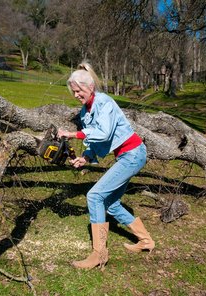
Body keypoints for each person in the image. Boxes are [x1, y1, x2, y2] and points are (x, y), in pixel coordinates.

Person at [58, 61, 155, 270]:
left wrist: (72, 134)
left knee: (94, 196)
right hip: (126, 156)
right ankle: (146, 241)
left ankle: (99, 254)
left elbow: (104, 133)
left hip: (134, 153)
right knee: (111, 204)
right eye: (73, 92)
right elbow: (96, 141)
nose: (76, 95)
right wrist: (85, 157)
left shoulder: (105, 103)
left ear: (89, 87)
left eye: (78, 90)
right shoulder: (85, 112)